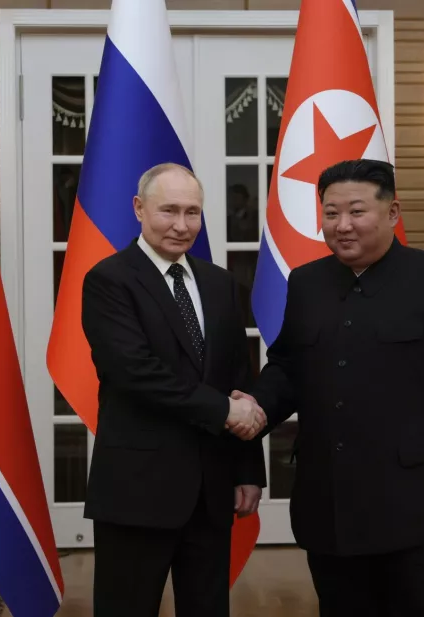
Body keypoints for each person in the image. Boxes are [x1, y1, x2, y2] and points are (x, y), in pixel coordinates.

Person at [237, 159, 424, 616]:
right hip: (329, 501)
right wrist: (254, 407)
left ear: (392, 213)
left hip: (415, 500)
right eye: (331, 213)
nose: (342, 225)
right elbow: (289, 367)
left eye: (356, 211)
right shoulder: (307, 282)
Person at [80, 162, 268, 617]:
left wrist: (248, 469)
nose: (182, 226)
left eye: (192, 212)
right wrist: (223, 410)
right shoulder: (109, 280)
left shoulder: (220, 284)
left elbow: (238, 380)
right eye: (169, 211)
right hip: (137, 490)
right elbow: (134, 372)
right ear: (139, 209)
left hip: (211, 490)